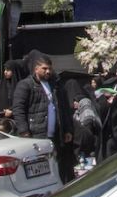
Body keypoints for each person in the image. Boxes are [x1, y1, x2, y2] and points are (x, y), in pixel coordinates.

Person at [15, 53, 79, 182]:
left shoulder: (55, 85)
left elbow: (64, 109)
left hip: (56, 135)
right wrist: (24, 131)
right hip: (36, 134)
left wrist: (67, 129)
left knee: (57, 166)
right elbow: (18, 109)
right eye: (44, 68)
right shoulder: (26, 85)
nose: (48, 71)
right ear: (36, 69)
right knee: (38, 167)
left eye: (49, 68)